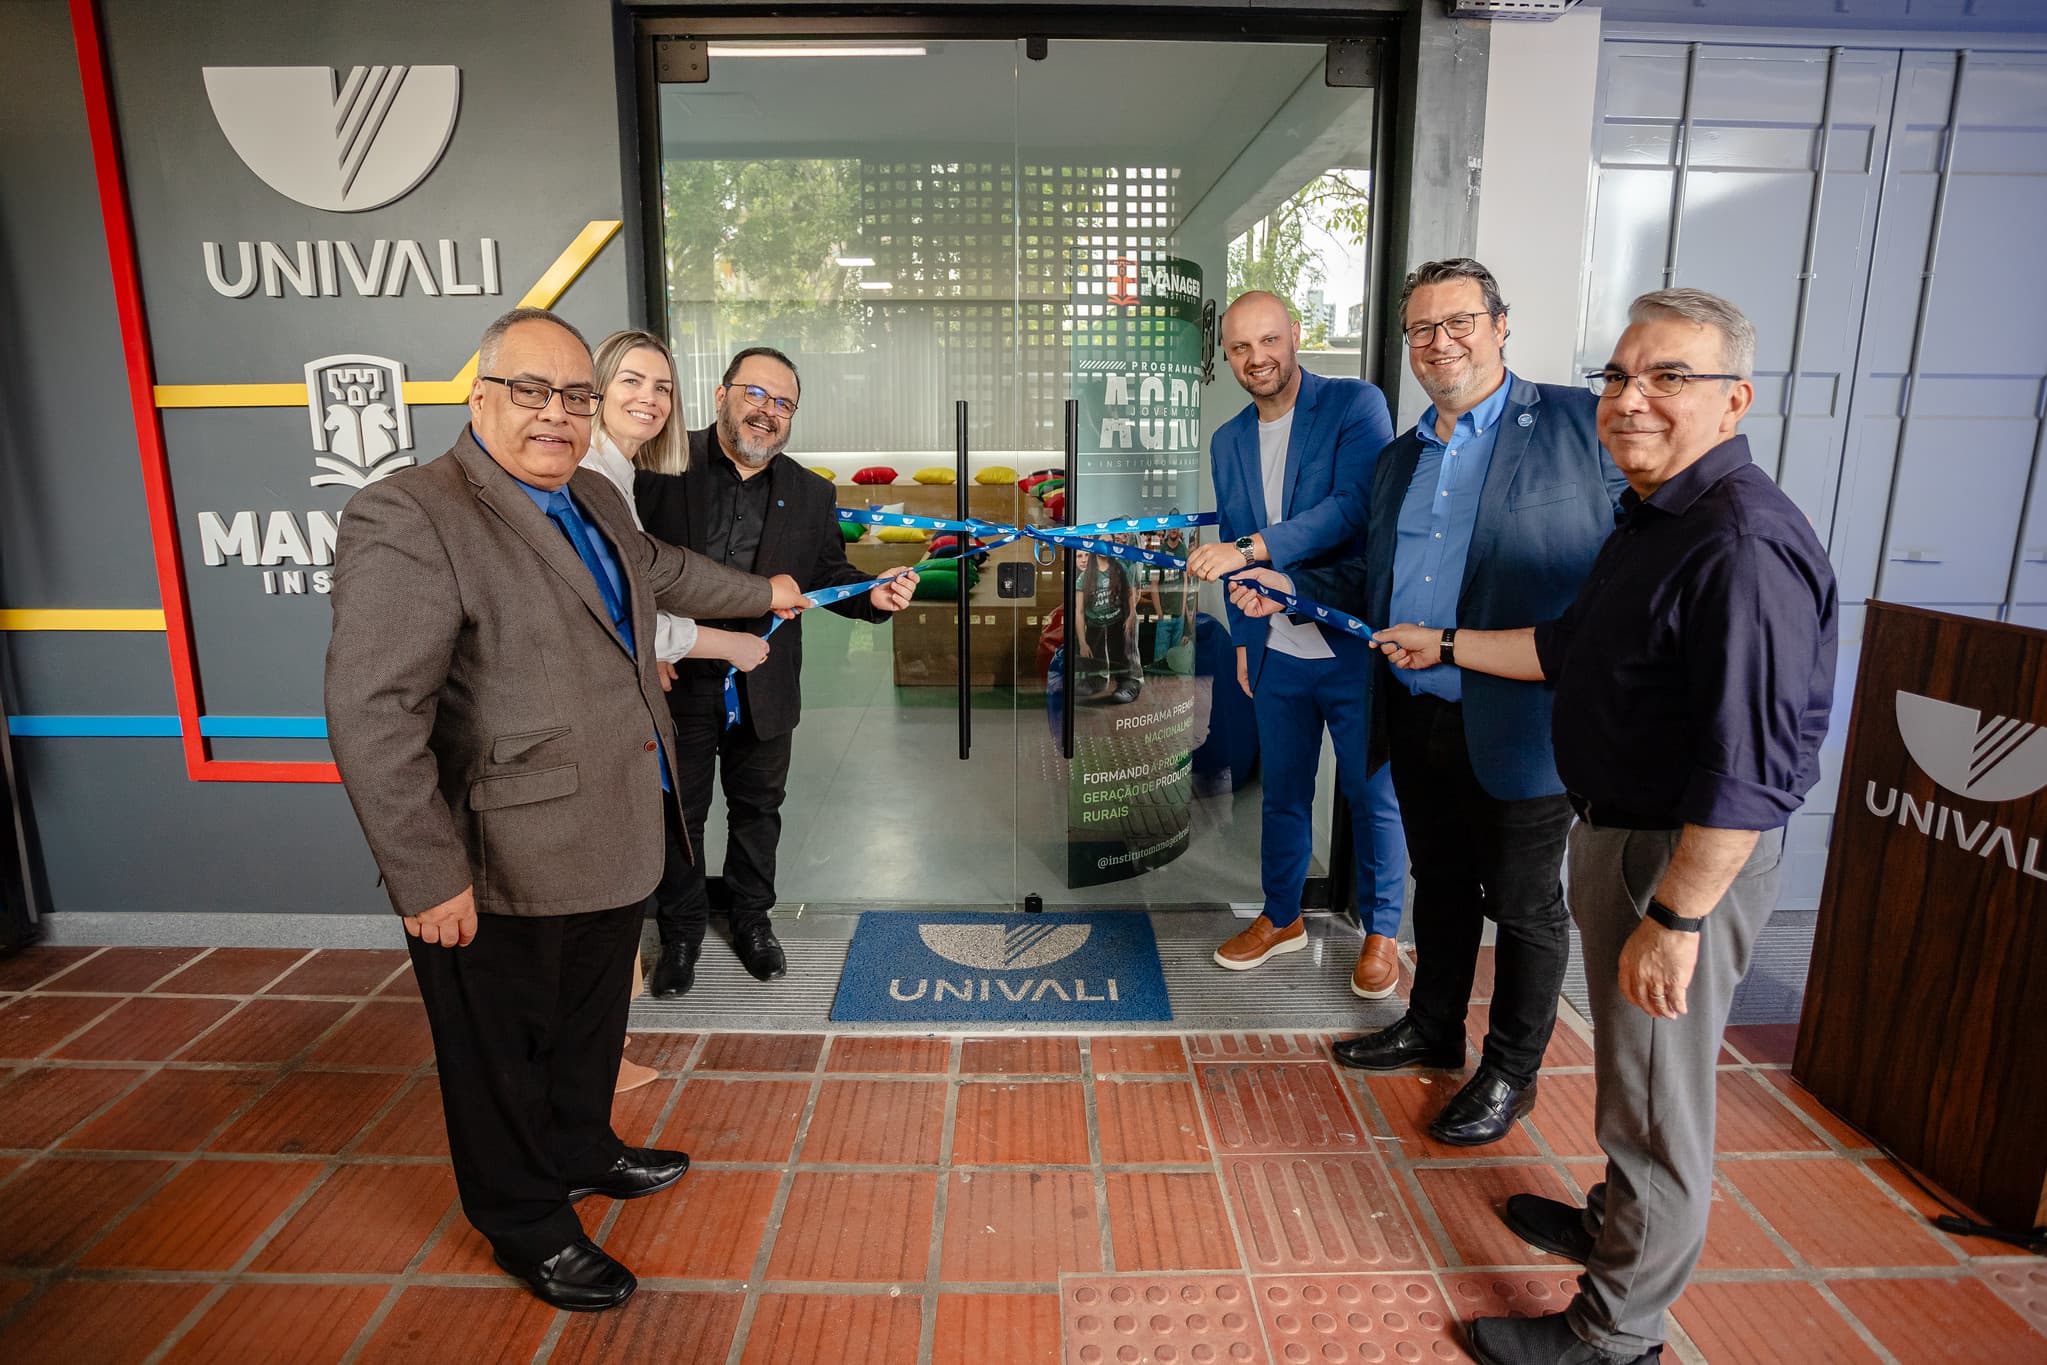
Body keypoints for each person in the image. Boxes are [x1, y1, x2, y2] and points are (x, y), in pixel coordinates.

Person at [1375, 289, 1835, 1365]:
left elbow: (1751, 770)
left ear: (1735, 399)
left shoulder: (1741, 544)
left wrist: (1676, 916)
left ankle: (1613, 1335)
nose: (1632, 399)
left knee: (1658, 1103)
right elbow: (1559, 647)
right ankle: (1614, 1229)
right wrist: (1438, 644)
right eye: (1619, 377)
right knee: (1633, 1081)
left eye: (1668, 378)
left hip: (1676, 862)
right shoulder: (1653, 518)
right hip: (1619, 832)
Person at [324, 307, 808, 1312]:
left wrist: (766, 592)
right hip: (498, 854)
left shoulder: (589, 490)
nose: (557, 415)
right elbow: (373, 713)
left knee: (589, 1017)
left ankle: (584, 1145)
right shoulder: (410, 512)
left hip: (611, 825)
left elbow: (660, 574)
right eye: (529, 392)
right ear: (479, 394)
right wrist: (427, 873)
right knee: (501, 1050)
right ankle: (525, 1220)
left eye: (575, 396)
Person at [1231, 259, 1625, 1146]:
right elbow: (1369, 577)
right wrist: (1283, 583)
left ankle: (1511, 1071)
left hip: (1522, 722)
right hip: (1412, 709)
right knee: (1439, 886)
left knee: (1524, 907)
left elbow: (1628, 562)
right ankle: (1434, 1027)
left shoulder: (1575, 424)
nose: (1438, 343)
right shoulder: (1401, 458)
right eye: (1420, 329)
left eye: (1458, 322)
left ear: (1498, 323)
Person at [634, 346, 916, 996]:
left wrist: (871, 595)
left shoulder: (809, 492)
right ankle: (681, 934)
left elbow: (827, 575)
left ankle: (753, 922)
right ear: (721, 394)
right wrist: (648, 647)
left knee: (758, 809)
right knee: (678, 811)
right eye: (755, 394)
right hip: (678, 676)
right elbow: (629, 568)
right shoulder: (659, 468)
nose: (767, 412)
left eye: (782, 403)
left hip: (764, 681)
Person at [1185, 290, 1407, 1000]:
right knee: (1281, 795)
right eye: (1240, 349)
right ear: (1228, 358)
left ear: (1294, 335)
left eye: (1268, 341)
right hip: (1276, 649)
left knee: (1372, 795)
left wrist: (1254, 550)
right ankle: (1281, 917)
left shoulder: (1353, 404)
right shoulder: (1227, 440)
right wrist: (1248, 637)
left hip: (1352, 641)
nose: (1257, 358)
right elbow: (1232, 559)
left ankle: (1381, 930)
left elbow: (1352, 508)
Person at [582, 330, 771, 1090]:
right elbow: (638, 590)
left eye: (660, 387)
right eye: (632, 382)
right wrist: (723, 636)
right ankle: (600, 1048)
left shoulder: (616, 470)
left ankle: (596, 1057)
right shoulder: (612, 474)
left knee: (754, 807)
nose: (649, 400)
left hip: (663, 695)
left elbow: (631, 590)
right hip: (646, 697)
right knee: (663, 830)